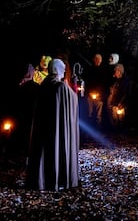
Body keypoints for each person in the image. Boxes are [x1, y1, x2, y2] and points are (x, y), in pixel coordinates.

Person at [26, 58, 79, 191]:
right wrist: (70, 87)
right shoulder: (60, 87)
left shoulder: (43, 85)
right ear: (58, 70)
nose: (64, 72)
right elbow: (73, 98)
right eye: (63, 69)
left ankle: (43, 180)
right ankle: (59, 178)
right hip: (57, 129)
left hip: (45, 130)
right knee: (58, 148)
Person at [83, 53, 108, 128]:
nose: (97, 61)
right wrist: (88, 92)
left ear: (101, 61)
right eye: (96, 59)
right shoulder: (89, 69)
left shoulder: (103, 71)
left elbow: (104, 84)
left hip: (99, 96)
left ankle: (97, 128)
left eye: (99, 59)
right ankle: (89, 127)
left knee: (98, 114)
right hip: (90, 94)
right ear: (94, 60)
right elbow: (87, 82)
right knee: (89, 112)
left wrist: (101, 95)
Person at [107, 63, 130, 132]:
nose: (115, 72)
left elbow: (125, 93)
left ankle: (121, 132)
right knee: (115, 119)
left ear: (120, 71)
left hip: (120, 104)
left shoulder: (124, 81)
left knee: (121, 119)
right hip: (114, 103)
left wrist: (121, 103)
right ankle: (116, 132)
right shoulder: (116, 81)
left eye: (116, 71)